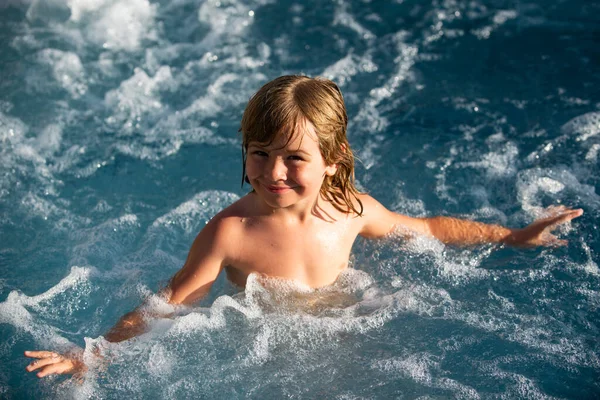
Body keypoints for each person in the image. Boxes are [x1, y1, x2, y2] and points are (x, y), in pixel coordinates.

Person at [25, 75, 583, 378]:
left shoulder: (351, 210)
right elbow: (173, 302)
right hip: (259, 344)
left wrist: (509, 236)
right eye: (260, 153)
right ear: (244, 157)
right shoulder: (230, 232)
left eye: (294, 157)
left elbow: (427, 228)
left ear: (333, 160)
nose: (273, 172)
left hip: (347, 324)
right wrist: (94, 352)